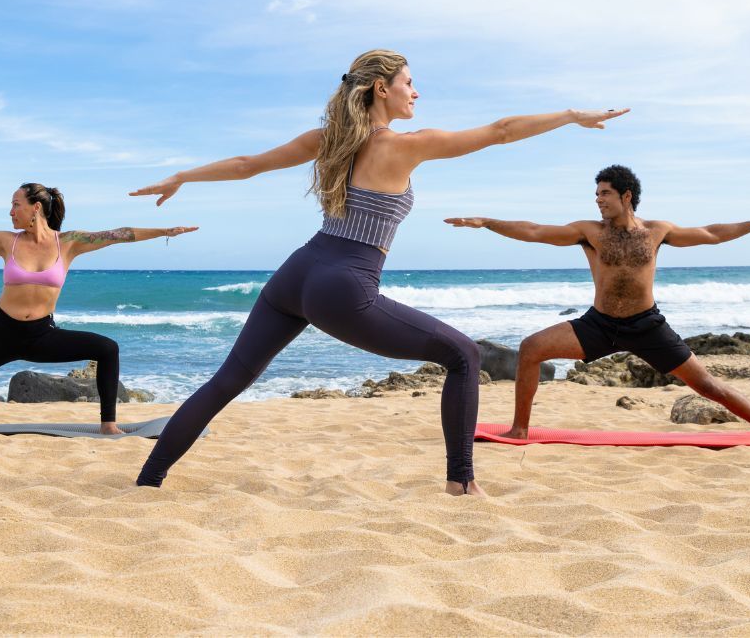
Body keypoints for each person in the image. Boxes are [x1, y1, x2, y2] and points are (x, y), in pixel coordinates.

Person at [129, 50, 627, 494]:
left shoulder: (327, 140)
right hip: (344, 284)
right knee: (463, 355)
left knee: (228, 380)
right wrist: (567, 116)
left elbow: (245, 165)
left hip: (296, 273)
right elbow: (499, 133)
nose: (416, 91)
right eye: (409, 82)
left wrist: (181, 176)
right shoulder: (405, 145)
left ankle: (148, 479)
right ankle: (461, 483)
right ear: (380, 89)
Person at [445, 164, 750, 442]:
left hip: (647, 326)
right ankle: (520, 428)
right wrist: (487, 223)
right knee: (532, 347)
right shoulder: (590, 231)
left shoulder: (658, 230)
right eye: (596, 194)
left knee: (706, 386)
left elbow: (711, 233)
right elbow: (535, 230)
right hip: (599, 325)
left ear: (626, 196)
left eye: (605, 193)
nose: (598, 200)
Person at [0, 182, 196, 435]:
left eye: (16, 204)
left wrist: (164, 232)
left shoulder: (69, 242)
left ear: (36, 207)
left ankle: (108, 425)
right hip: (0, 331)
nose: (11, 211)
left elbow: (120, 235)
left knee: (107, 348)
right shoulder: (6, 241)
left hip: (41, 334)